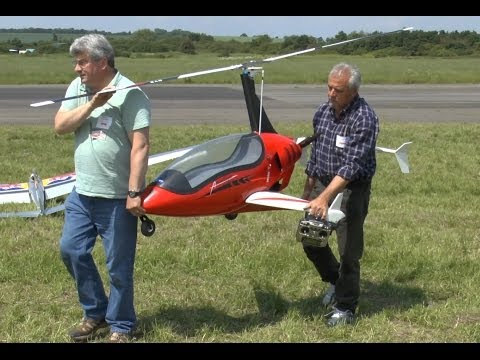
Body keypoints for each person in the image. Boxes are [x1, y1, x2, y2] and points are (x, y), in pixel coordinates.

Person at [54, 34, 151, 342]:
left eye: (81, 62)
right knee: (71, 251)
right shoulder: (78, 90)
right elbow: (60, 126)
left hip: (116, 198)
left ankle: (122, 325)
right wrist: (93, 104)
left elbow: (141, 146)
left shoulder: (132, 95)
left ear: (102, 62)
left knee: (119, 266)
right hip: (82, 193)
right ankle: (96, 310)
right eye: (76, 62)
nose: (76, 69)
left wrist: (134, 192)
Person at [300, 62, 379, 327]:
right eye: (329, 88)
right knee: (311, 239)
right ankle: (335, 281)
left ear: (353, 92)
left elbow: (351, 167)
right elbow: (317, 151)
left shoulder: (365, 118)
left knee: (348, 251)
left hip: (350, 190)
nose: (331, 94)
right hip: (323, 183)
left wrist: (325, 198)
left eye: (339, 90)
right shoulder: (323, 112)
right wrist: (310, 188)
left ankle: (346, 307)